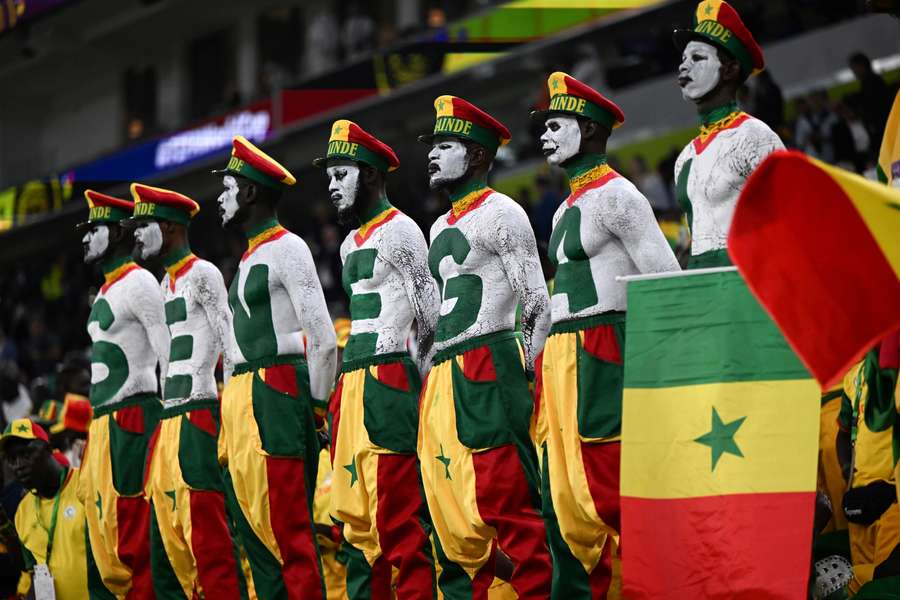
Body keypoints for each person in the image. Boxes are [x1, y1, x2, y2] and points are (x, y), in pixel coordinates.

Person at [532, 71, 680, 598]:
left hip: (604, 348)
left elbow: (666, 283)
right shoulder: (567, 205)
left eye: (555, 124)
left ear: (590, 129)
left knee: (617, 490)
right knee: (562, 501)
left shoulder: (621, 197)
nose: (544, 136)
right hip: (564, 359)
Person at [417, 95, 554, 598]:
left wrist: (527, 370)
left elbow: (536, 300)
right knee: (451, 514)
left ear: (476, 155)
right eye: (432, 144)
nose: (432, 154)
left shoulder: (504, 212)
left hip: (490, 360)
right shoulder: (437, 226)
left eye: (445, 144)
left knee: (511, 504)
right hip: (446, 376)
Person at [314, 119, 441, 597]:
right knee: (354, 525)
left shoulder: (404, 230)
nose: (331, 185)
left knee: (399, 521)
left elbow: (430, 317)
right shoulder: (347, 243)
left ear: (369, 174)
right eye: (328, 177)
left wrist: (427, 392)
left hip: (390, 376)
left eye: (340, 174)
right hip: (351, 383)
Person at [213, 135, 337, 599]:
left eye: (227, 188)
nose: (221, 199)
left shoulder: (289, 248)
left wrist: (318, 410)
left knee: (289, 538)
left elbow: (323, 338)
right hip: (245, 399)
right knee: (257, 542)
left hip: (276, 389)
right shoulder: (246, 258)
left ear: (250, 193)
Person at [128, 183, 246, 599]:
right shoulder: (163, 285)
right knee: (169, 542)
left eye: (144, 225)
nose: (137, 235)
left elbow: (231, 349)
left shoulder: (204, 274)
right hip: (170, 419)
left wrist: (230, 420)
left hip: (198, 414)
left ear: (169, 226)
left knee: (209, 540)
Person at [76, 189, 169, 599]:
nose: (84, 238)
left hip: (135, 417)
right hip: (101, 428)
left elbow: (168, 350)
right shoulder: (104, 292)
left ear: (115, 234)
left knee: (136, 535)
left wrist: (172, 418)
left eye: (92, 229)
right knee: (100, 537)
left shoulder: (140, 282)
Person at [672, 0, 784, 269]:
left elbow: (790, 219)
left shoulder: (755, 137)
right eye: (684, 59)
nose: (683, 67)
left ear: (730, 69)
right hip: (705, 292)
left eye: (697, 58)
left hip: (749, 287)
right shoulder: (684, 157)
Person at [1, 418, 99, 599]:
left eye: (26, 453)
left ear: (48, 448)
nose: (19, 465)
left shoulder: (86, 485)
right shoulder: (23, 511)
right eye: (11, 459)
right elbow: (35, 574)